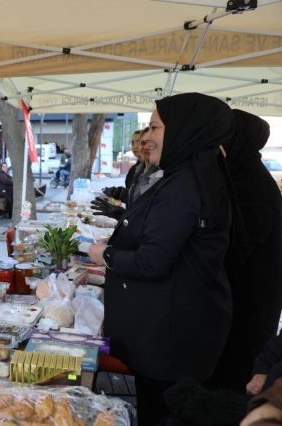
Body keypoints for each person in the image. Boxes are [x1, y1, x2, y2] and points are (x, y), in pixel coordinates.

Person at [88, 92, 241, 426]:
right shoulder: (187, 176)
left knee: (160, 413)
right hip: (174, 331)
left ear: (184, 131)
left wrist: (105, 255)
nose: (146, 137)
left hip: (169, 338)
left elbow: (152, 261)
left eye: (155, 128)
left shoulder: (184, 184)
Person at [208, 110, 282, 393]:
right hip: (238, 294)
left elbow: (238, 248)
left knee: (236, 374)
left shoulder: (253, 184)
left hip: (250, 299)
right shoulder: (238, 175)